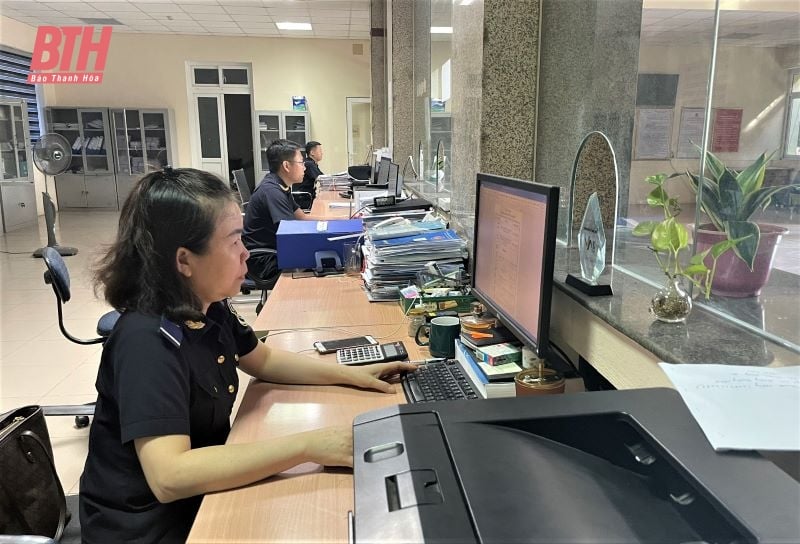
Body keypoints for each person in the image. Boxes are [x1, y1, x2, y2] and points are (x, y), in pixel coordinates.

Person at [80, 167, 416, 543]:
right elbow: (169, 477)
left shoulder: (206, 304)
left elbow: (263, 360)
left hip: (201, 495)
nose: (246, 254)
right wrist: (307, 445)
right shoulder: (147, 341)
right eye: (233, 241)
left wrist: (353, 372)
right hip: (150, 526)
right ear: (184, 261)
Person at [242, 139, 310, 290]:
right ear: (286, 166)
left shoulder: (281, 186)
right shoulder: (272, 192)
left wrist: (337, 223)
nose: (305, 167)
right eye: (301, 162)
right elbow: (291, 234)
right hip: (264, 261)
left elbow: (303, 218)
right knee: (321, 265)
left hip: (275, 252)